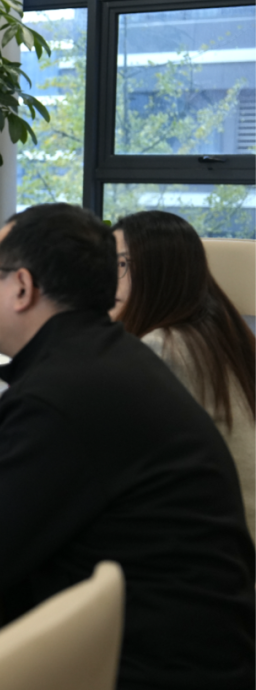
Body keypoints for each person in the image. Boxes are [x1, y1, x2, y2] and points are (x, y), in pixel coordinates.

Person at [0, 204, 256, 689]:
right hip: (208, 645)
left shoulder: (56, 390)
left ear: (22, 287)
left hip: (158, 667)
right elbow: (90, 493)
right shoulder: (111, 357)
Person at [110, 210, 256, 542]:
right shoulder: (221, 332)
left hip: (223, 553)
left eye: (120, 265)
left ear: (158, 273)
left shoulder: (163, 348)